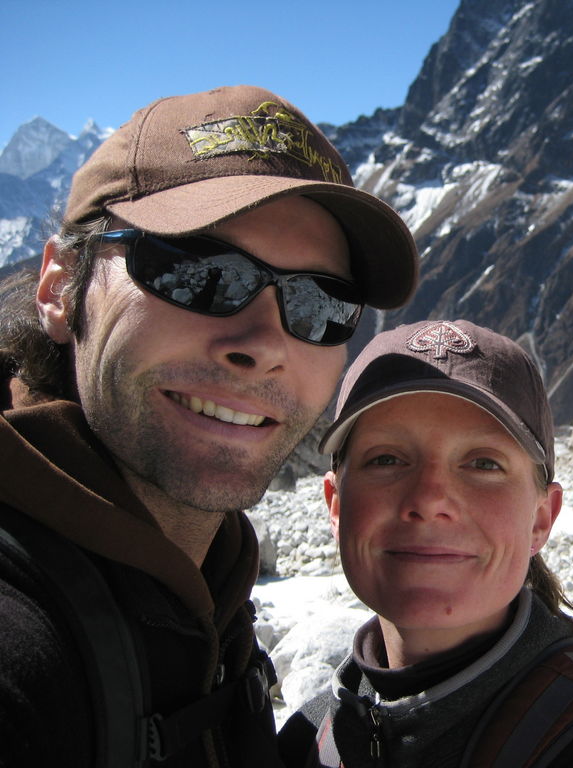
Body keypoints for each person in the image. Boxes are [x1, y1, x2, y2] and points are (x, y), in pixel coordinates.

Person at [0, 85, 418, 767]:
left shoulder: (206, 582)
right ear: (59, 287)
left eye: (319, 305)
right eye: (198, 273)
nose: (262, 342)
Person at [277, 319, 573, 768]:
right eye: (386, 459)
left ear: (541, 518)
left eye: (483, 464)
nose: (429, 500)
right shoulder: (306, 740)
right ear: (335, 504)